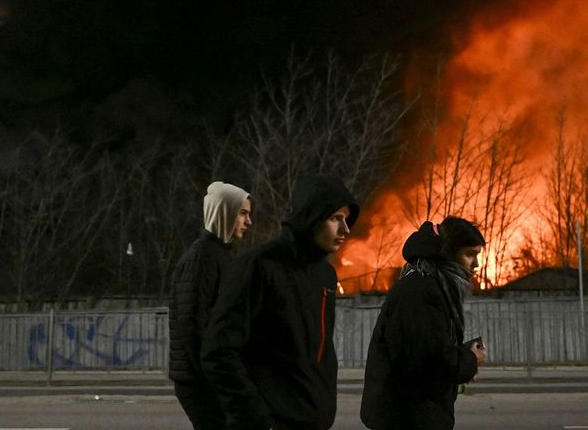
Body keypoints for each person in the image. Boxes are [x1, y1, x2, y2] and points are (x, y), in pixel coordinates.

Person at [201, 174, 359, 430]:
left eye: (346, 219)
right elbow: (218, 352)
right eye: (335, 218)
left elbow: (320, 353)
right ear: (312, 217)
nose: (346, 229)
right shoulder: (259, 266)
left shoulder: (325, 275)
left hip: (313, 421)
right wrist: (256, 419)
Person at [360, 217, 487, 430]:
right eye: (470, 254)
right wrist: (469, 360)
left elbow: (428, 345)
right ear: (448, 253)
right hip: (408, 417)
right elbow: (430, 360)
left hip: (415, 414)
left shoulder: (432, 285)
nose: (477, 264)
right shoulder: (421, 291)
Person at [168, 181, 252, 430]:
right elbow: (191, 324)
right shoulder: (201, 258)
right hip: (200, 381)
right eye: (243, 213)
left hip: (214, 377)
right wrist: (213, 377)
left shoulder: (221, 255)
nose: (249, 221)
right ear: (224, 212)